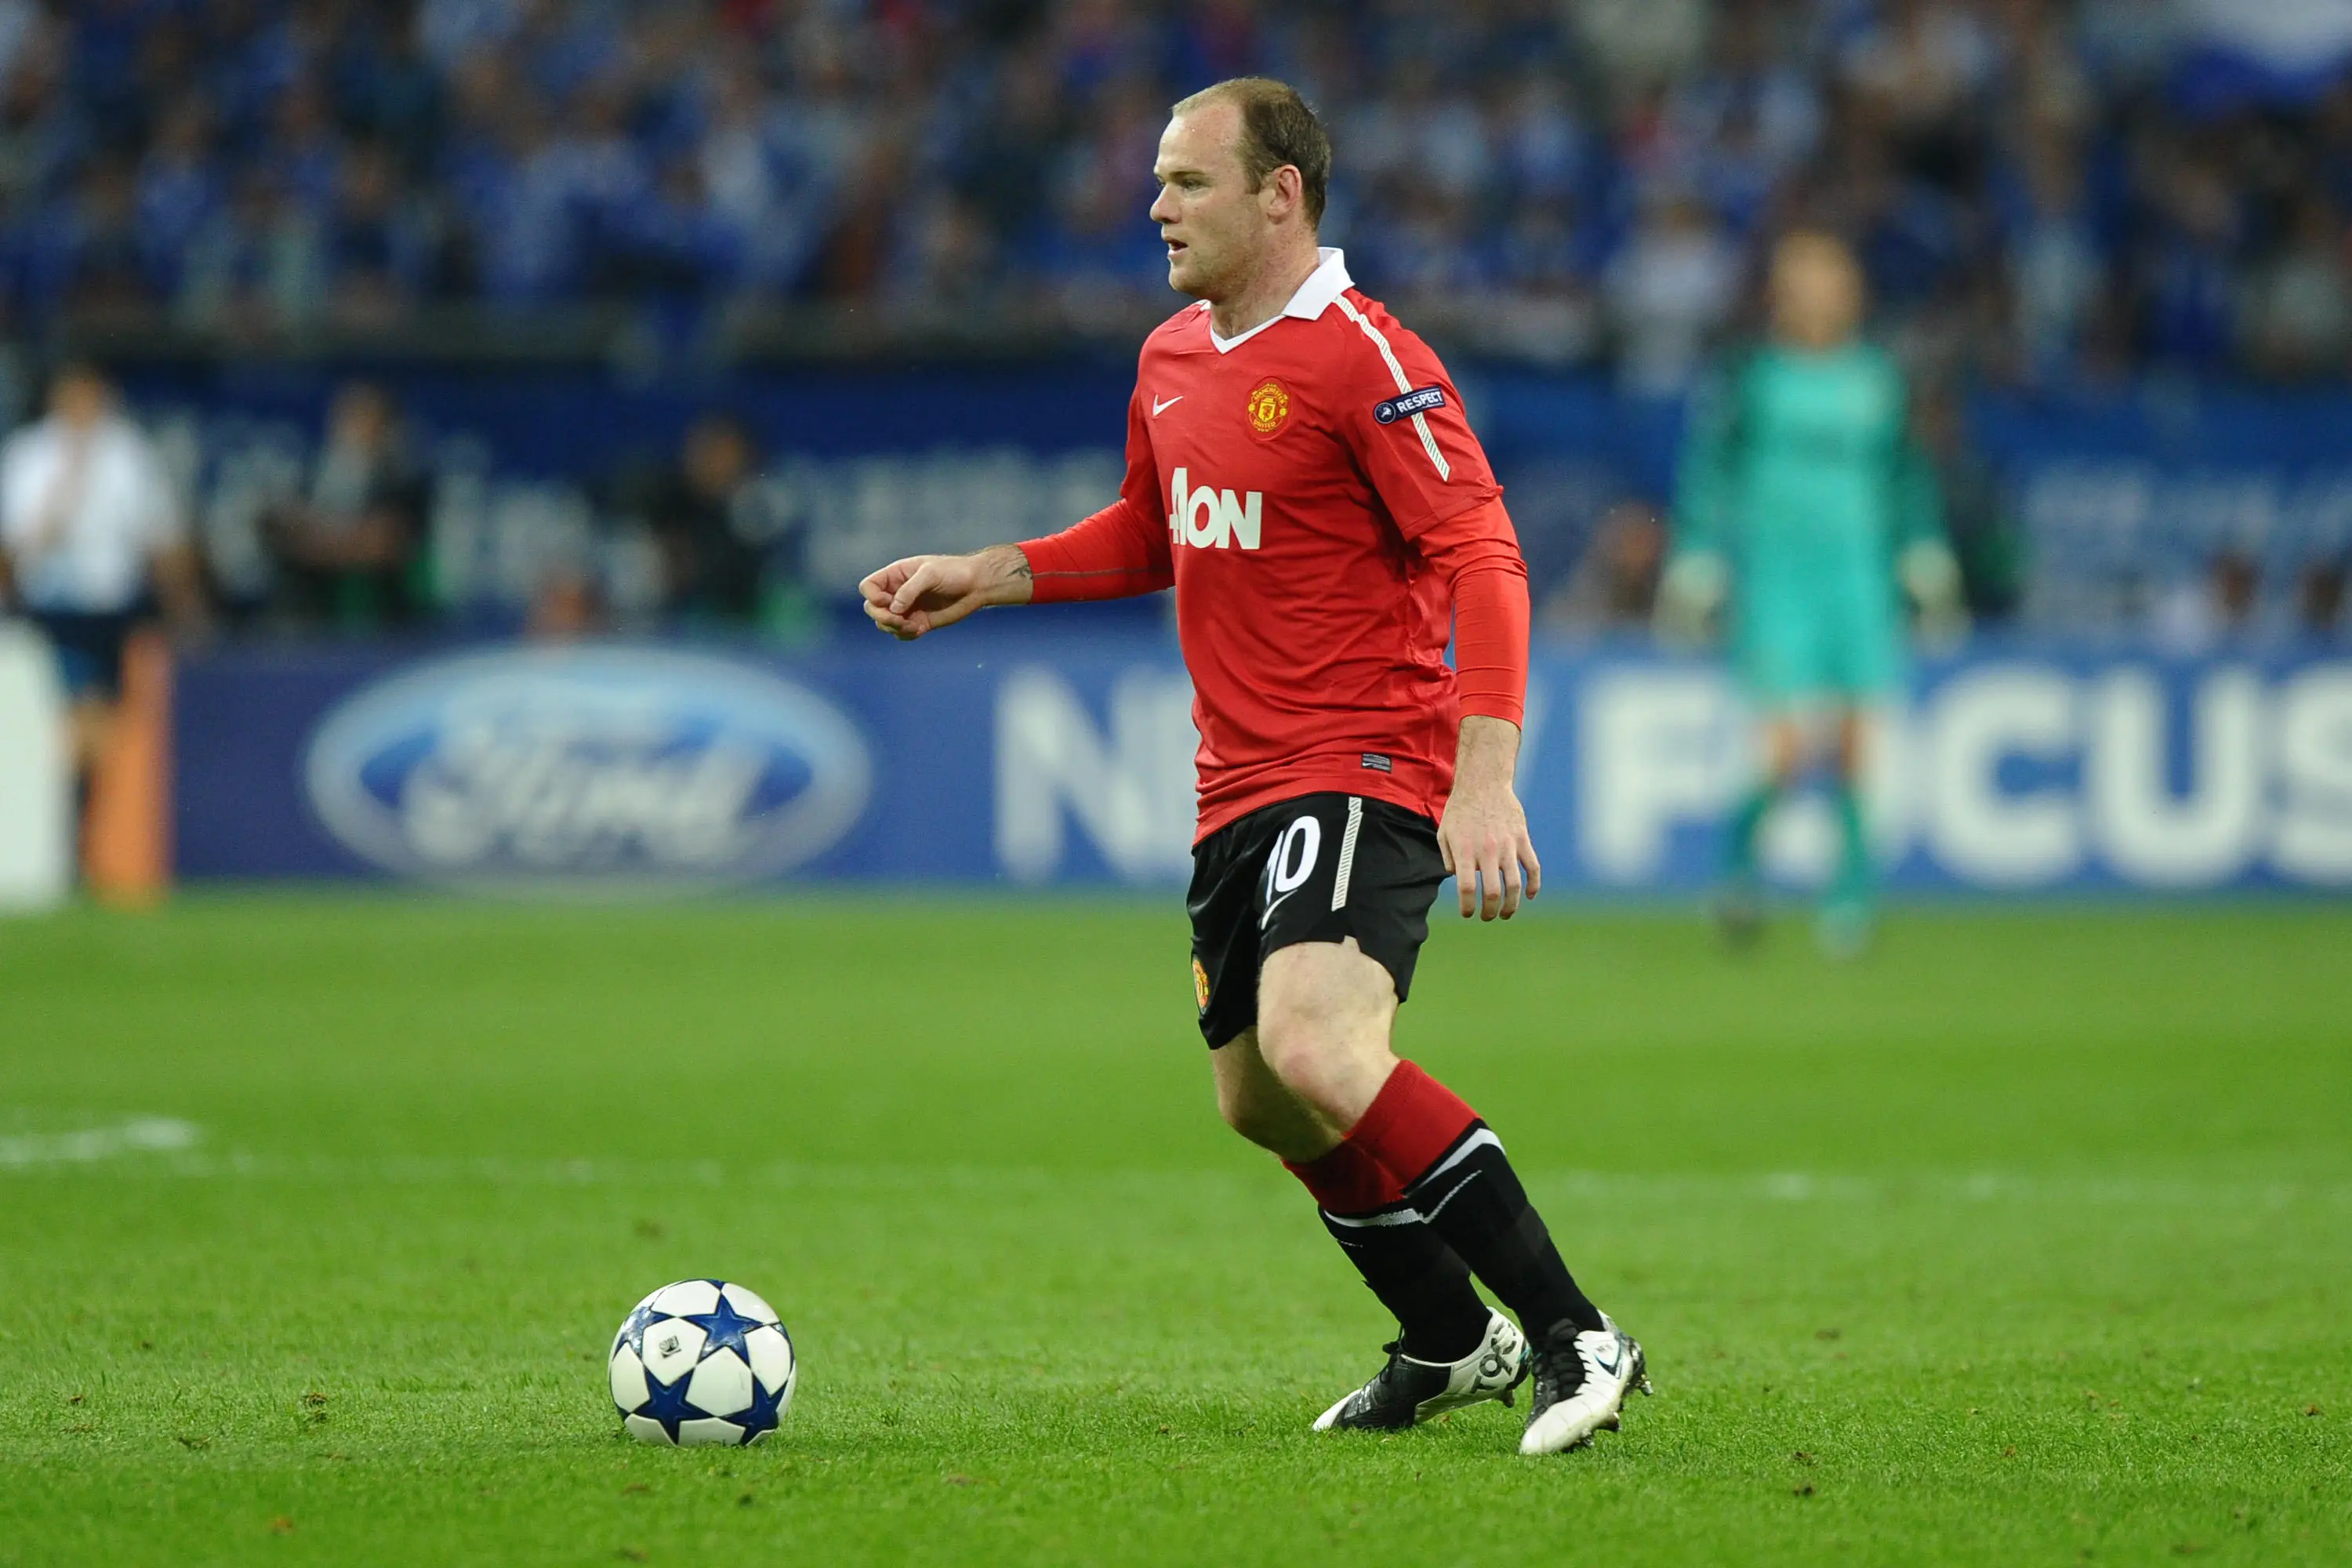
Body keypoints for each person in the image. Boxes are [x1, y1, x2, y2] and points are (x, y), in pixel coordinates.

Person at [858, 78, 1646, 1457]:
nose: (1155, 205)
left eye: (1188, 182)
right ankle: (1453, 1342)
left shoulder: (1364, 355)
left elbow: (1486, 557)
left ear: (1280, 193)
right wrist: (989, 573)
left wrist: (1482, 771)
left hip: (1361, 758)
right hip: (1236, 786)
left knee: (1317, 1045)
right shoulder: (1171, 357)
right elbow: (1157, 533)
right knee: (1259, 1098)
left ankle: (1580, 1334)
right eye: (1158, 181)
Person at [1658, 231, 1962, 956]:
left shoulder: (1879, 376)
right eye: (1801, 283)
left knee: (1859, 740)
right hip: (1778, 578)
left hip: (1859, 577)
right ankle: (1737, 877)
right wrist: (1698, 553)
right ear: (1781, 295)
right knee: (1785, 749)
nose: (1816, 297)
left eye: (1829, 282)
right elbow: (1712, 470)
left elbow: (1905, 475)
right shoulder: (1751, 376)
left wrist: (1924, 549)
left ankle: (1850, 899)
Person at [0, 361, 209, 815]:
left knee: (104, 721)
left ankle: (81, 808)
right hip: (56, 604)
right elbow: (16, 544)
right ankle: (71, 816)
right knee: (77, 709)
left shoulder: (129, 455)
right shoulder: (29, 455)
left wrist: (187, 606)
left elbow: (161, 535)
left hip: (114, 607)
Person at [266, 381, 431, 632]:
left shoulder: (405, 481)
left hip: (385, 619)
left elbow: (382, 547)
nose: (353, 429)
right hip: (308, 613)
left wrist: (317, 539)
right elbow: (281, 531)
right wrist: (346, 541)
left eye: (366, 419)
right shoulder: (311, 474)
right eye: (347, 418)